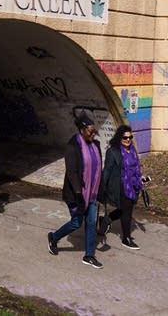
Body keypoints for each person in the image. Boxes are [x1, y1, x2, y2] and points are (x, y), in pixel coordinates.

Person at [47, 113, 103, 268]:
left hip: (92, 193)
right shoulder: (72, 146)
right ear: (82, 130)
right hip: (76, 194)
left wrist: (101, 190)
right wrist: (78, 194)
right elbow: (72, 172)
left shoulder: (95, 145)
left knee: (91, 223)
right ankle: (53, 237)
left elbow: (99, 169)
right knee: (77, 223)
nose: (93, 134)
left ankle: (89, 255)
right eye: (90, 132)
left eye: (94, 131)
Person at [99, 124, 144, 250]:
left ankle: (106, 219)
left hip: (133, 185)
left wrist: (140, 179)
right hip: (121, 186)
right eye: (125, 138)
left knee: (126, 209)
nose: (128, 140)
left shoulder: (132, 149)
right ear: (119, 138)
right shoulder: (113, 152)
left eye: (130, 137)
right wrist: (102, 187)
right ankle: (126, 238)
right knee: (127, 212)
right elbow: (107, 170)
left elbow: (136, 167)